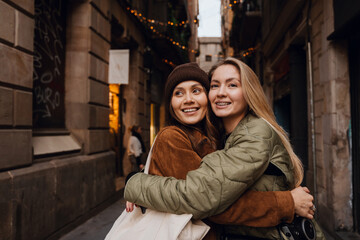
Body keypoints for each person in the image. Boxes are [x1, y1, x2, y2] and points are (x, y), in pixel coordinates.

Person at [124, 62, 319, 239]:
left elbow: (206, 197)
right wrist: (288, 202)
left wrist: (138, 184)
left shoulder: (251, 133)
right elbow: (206, 197)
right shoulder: (194, 136)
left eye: (232, 85)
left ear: (248, 92)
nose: (221, 92)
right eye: (215, 85)